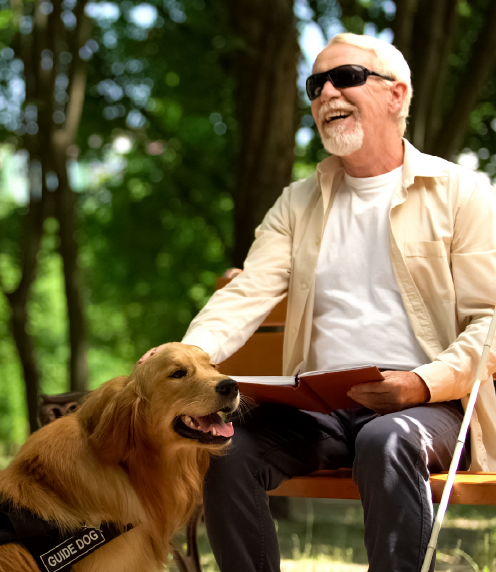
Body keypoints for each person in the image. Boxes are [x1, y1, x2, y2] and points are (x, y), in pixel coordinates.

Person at [140, 33, 496, 572]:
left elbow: (490, 322)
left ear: (396, 95)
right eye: (315, 84)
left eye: (346, 77)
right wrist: (187, 352)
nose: (326, 91)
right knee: (227, 450)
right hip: (320, 411)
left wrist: (420, 383)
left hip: (431, 406)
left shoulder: (460, 193)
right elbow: (247, 292)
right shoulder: (296, 202)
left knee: (386, 440)